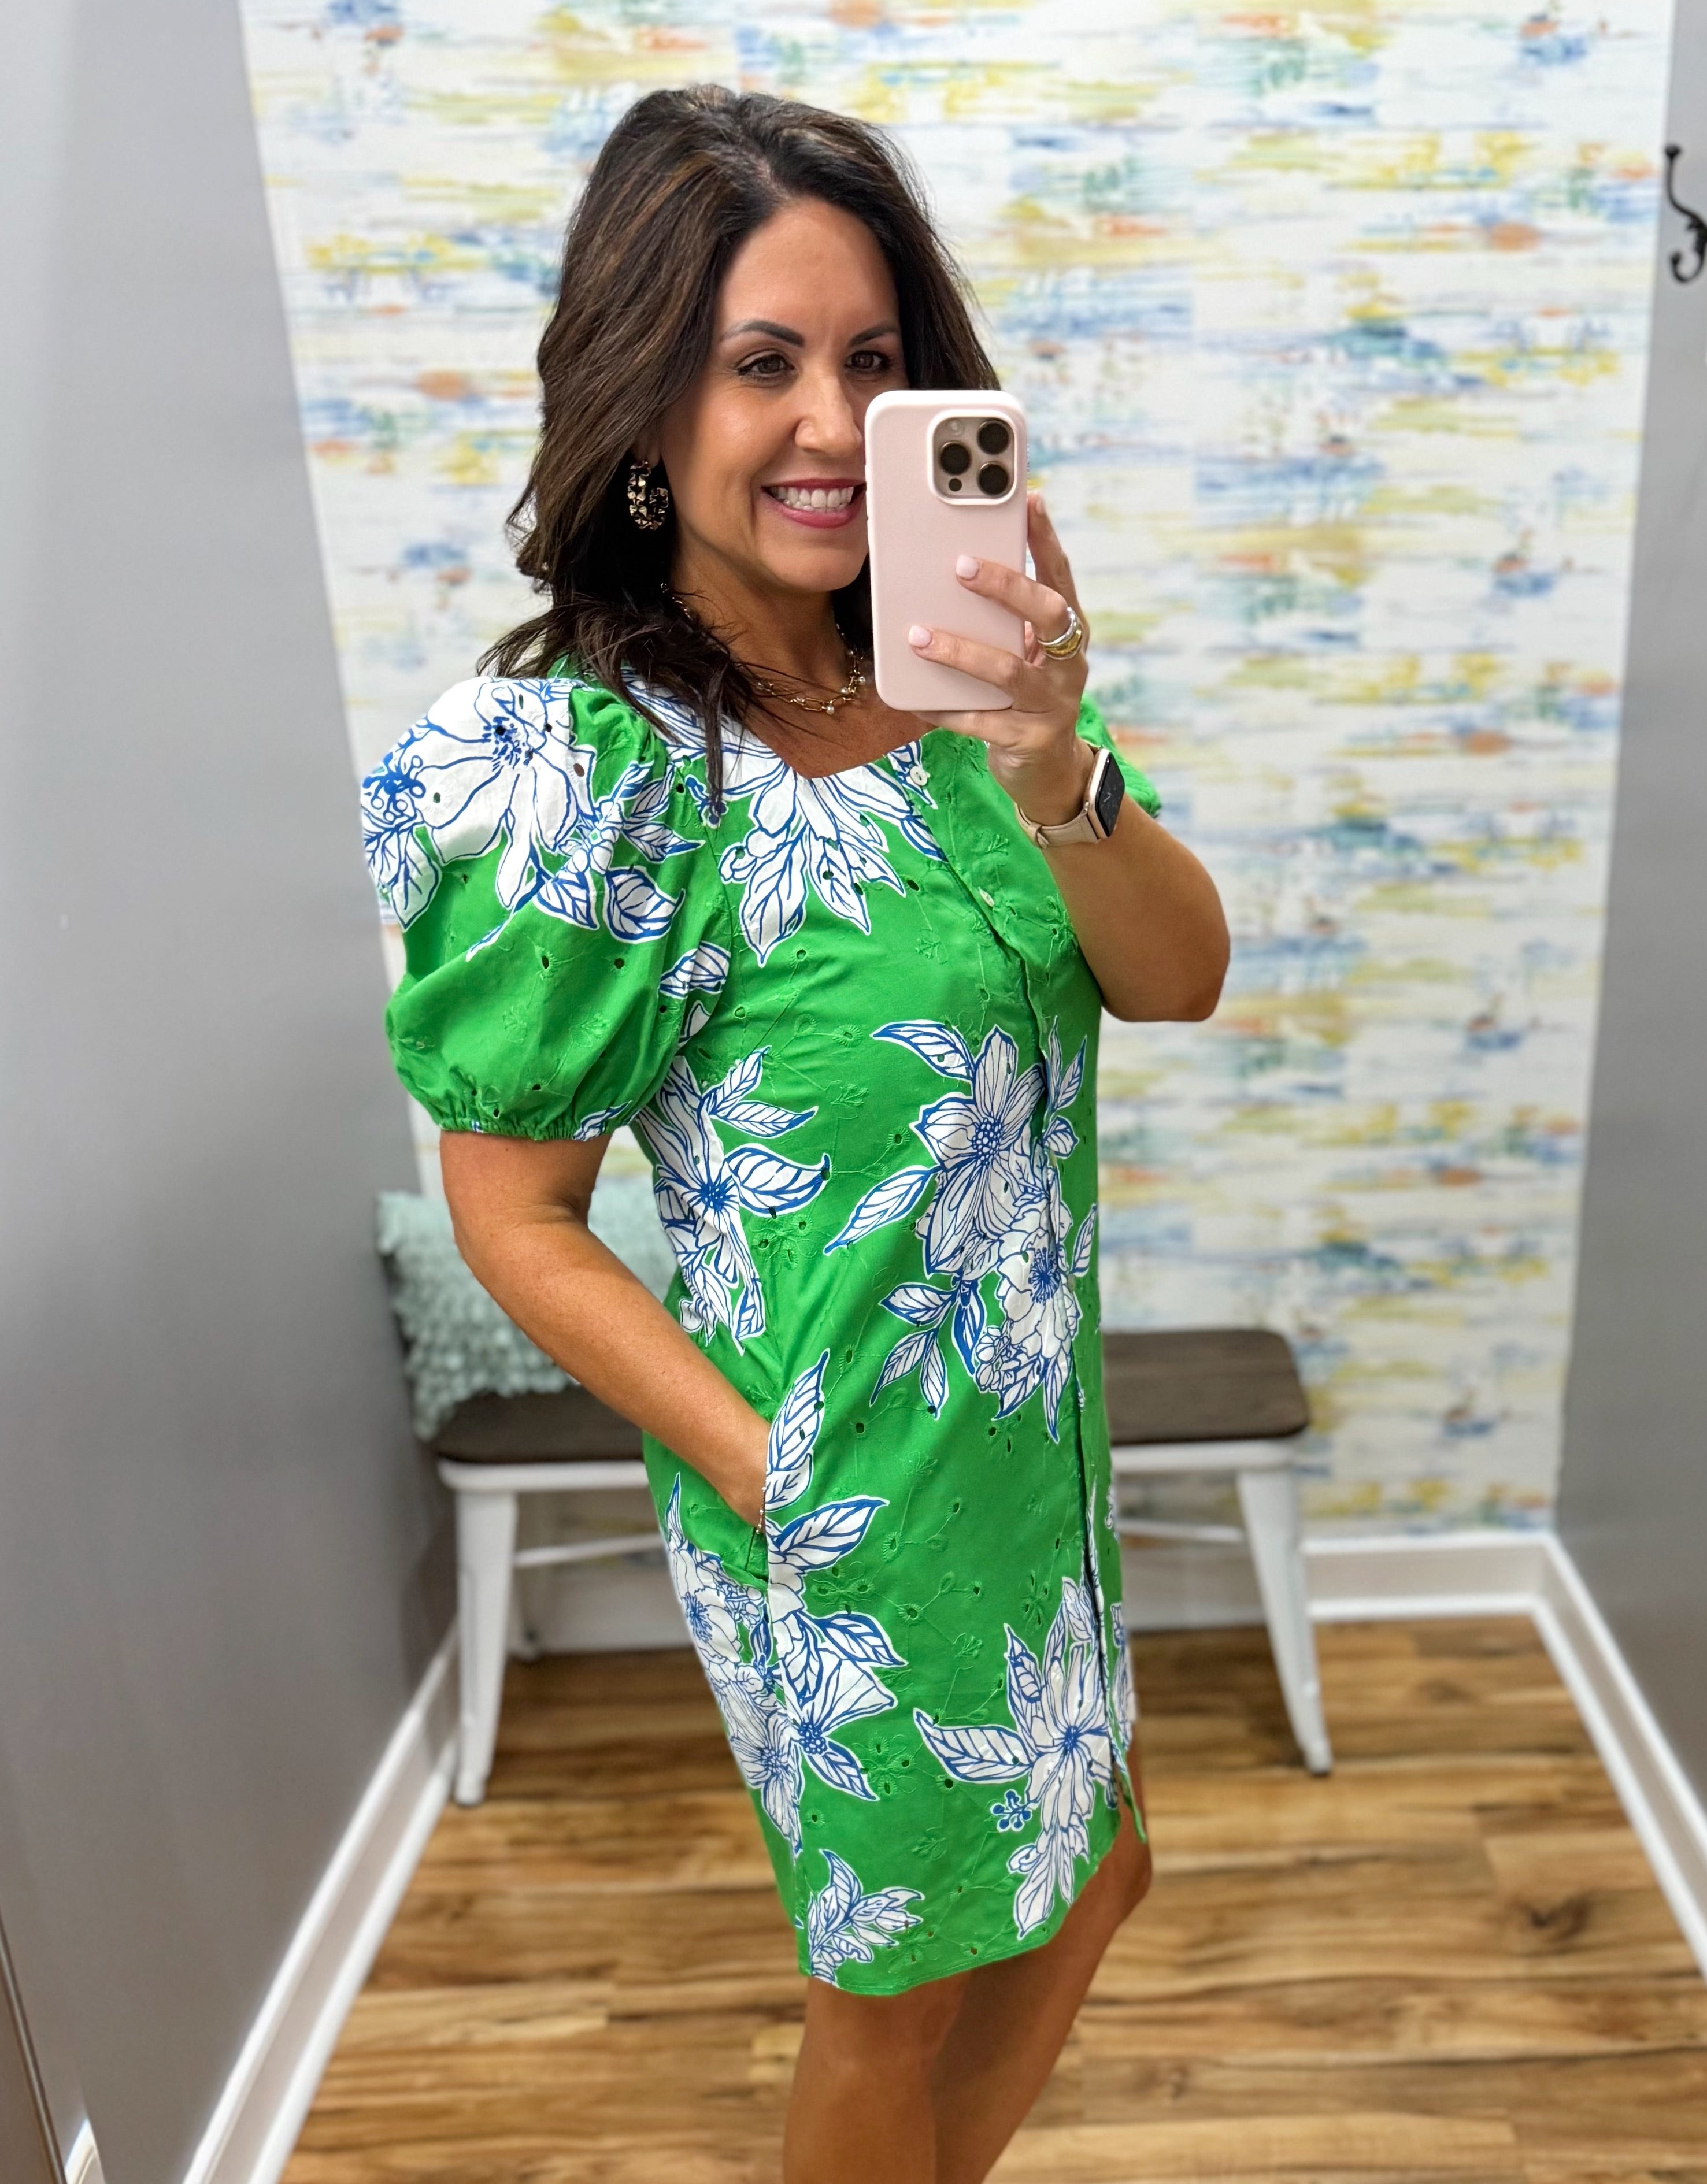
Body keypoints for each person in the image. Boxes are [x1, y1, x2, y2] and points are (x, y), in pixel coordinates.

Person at [361, 84, 1229, 2184]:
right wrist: (777, 1472)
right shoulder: (590, 774)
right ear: (645, 408)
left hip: (1031, 1464)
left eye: (872, 361)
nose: (834, 421)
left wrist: (1048, 748)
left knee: (1094, 1877)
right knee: (892, 1991)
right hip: (837, 1499)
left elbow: (1175, 973)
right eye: (763, 363)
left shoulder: (956, 685)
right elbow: (514, 1215)